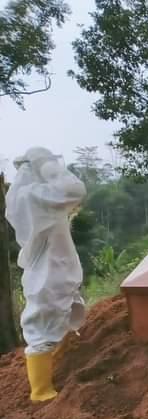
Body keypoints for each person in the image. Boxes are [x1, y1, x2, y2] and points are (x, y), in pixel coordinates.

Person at [6, 148, 87, 402]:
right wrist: (50, 168)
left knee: (59, 314)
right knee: (42, 323)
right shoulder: (35, 195)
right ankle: (40, 390)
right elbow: (75, 190)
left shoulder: (29, 194)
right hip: (48, 272)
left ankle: (56, 363)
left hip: (54, 266)